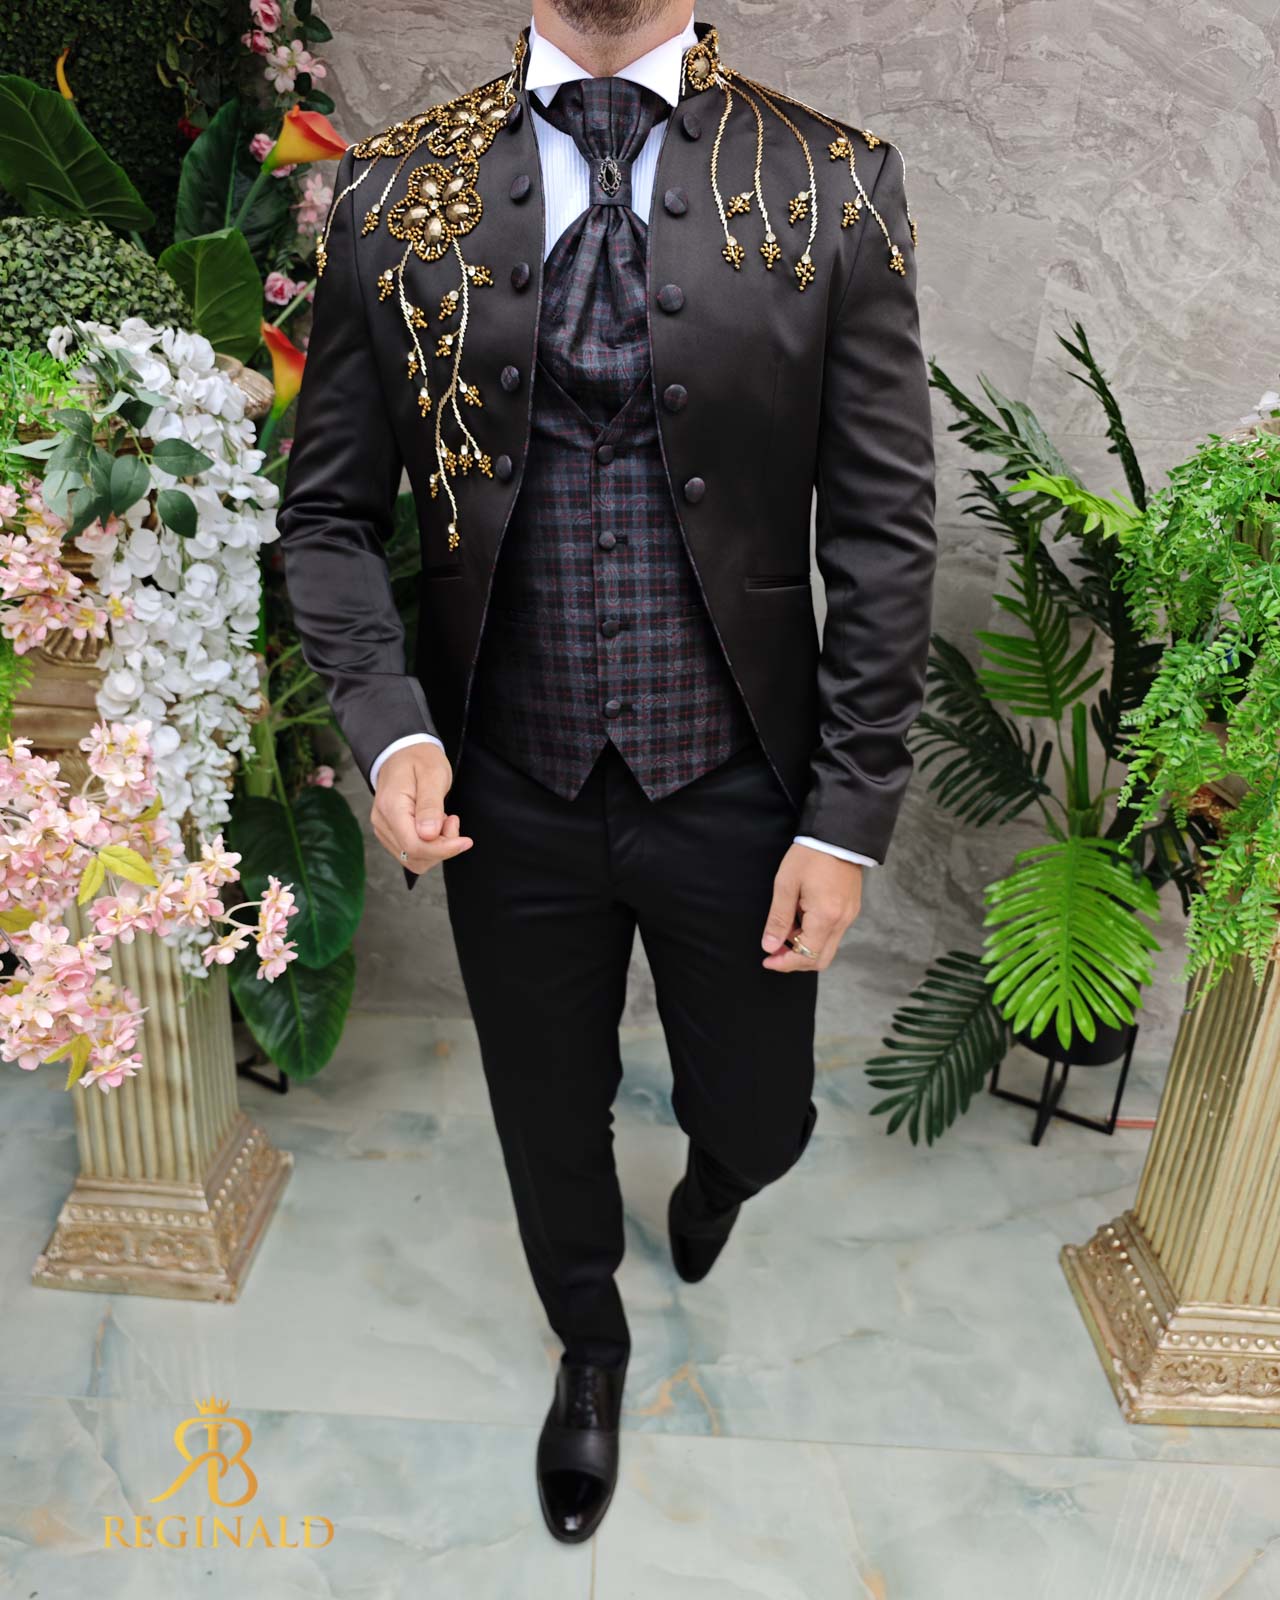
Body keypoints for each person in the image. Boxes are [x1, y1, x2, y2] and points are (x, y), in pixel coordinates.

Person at [278, 0, 936, 1544]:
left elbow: (883, 529)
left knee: (763, 1115)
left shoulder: (833, 182)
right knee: (545, 1111)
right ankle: (588, 1340)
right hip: (506, 778)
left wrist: (846, 817)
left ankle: (718, 1180)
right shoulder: (394, 190)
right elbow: (328, 517)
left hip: (738, 775)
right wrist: (393, 727)